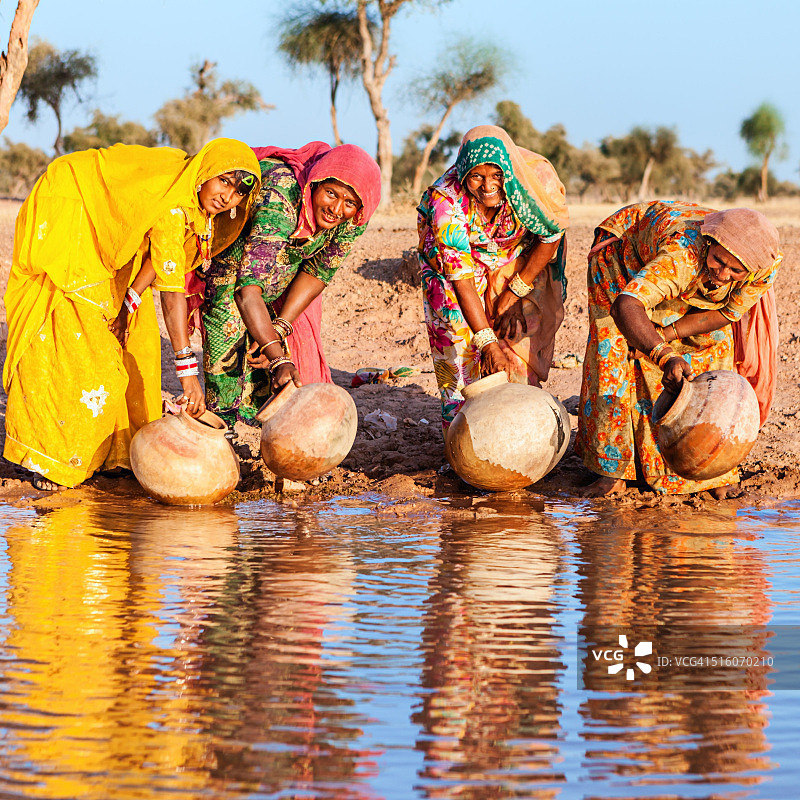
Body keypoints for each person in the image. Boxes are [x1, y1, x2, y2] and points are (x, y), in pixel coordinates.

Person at [3, 138, 261, 490]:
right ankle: (52, 460)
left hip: (113, 236)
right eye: (224, 182)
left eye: (237, 193)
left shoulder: (192, 201)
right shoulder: (175, 206)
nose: (227, 197)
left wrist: (129, 302)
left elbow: (159, 258)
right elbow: (172, 296)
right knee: (83, 342)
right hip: (74, 209)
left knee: (134, 340)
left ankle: (113, 454)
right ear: (205, 174)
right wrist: (188, 374)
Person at [575, 201, 781, 498]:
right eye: (718, 261)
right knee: (615, 350)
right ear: (709, 243)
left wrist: (667, 333)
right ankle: (612, 470)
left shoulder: (765, 264)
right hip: (623, 258)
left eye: (735, 271)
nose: (722, 274)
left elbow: (726, 314)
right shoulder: (682, 255)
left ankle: (712, 470)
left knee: (714, 346)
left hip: (681, 275)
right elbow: (626, 305)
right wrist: (663, 353)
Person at [196, 141, 381, 426]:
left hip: (283, 273)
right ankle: (223, 427)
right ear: (314, 185)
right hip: (233, 267)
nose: (336, 209)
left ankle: (266, 424)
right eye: (330, 193)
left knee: (276, 347)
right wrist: (278, 358)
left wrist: (280, 327)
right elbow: (247, 291)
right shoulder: (280, 200)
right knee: (229, 341)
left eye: (349, 202)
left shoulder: (354, 218)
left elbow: (319, 271)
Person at [416, 125, 569, 429]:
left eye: (496, 175)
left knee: (518, 330)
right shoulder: (445, 202)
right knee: (459, 344)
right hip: (452, 270)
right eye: (476, 176)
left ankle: (516, 419)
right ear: (463, 174)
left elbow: (551, 234)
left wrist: (515, 290)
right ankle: (465, 433)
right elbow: (461, 280)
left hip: (514, 257)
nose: (487, 186)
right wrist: (486, 343)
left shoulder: (531, 182)